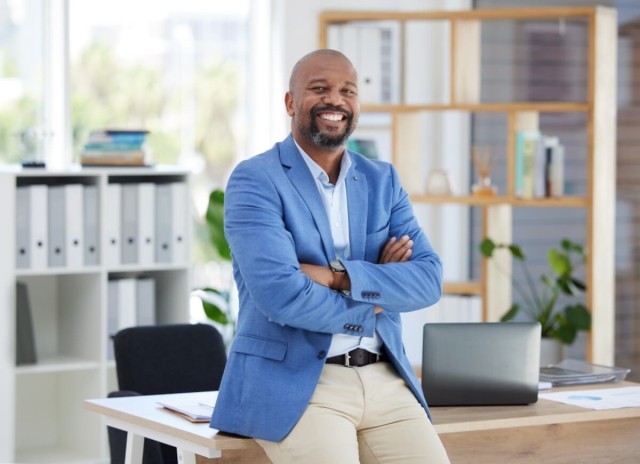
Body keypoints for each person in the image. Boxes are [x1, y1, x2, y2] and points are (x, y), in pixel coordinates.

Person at [210, 48, 450, 464]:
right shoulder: (256, 179)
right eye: (319, 89)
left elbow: (428, 280)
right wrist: (375, 298)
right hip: (298, 386)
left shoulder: (382, 180)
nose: (334, 100)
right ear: (290, 102)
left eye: (347, 91)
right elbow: (280, 294)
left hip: (385, 378)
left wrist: (337, 277)